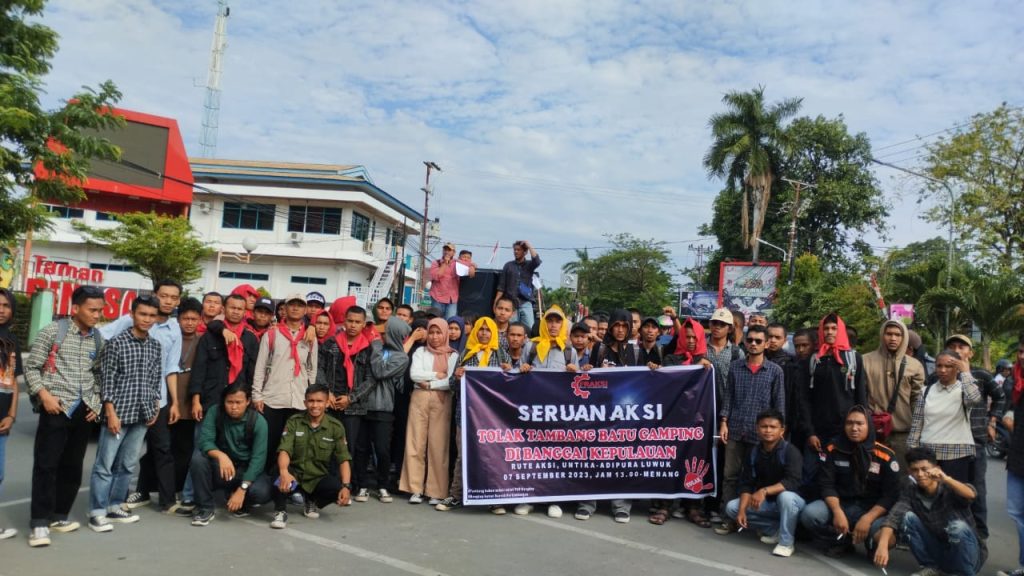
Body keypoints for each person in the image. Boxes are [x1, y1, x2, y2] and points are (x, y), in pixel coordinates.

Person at [25, 286, 105, 547]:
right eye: (92, 310)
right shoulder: (53, 331)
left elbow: (98, 375)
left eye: (100, 310)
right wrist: (44, 396)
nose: (97, 315)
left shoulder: (98, 339)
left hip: (83, 411)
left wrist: (96, 404)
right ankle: (39, 522)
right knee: (46, 465)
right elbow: (32, 368)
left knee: (72, 465)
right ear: (76, 308)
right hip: (56, 408)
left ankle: (59, 515)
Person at [106, 280, 182, 515]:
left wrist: (175, 402)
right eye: (164, 295)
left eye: (173, 297)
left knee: (162, 449)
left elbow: (171, 368)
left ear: (178, 301)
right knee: (119, 453)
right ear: (155, 294)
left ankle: (167, 501)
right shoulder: (129, 320)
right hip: (126, 399)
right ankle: (112, 500)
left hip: (157, 400)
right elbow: (102, 338)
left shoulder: (175, 329)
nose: (168, 301)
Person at [88, 296, 163, 532]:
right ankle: (97, 511)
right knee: (105, 464)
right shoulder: (116, 343)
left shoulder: (155, 346)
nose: (147, 319)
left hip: (143, 414)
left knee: (128, 465)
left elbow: (155, 378)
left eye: (152, 315)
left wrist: (155, 405)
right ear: (132, 314)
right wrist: (110, 412)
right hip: (118, 414)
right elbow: (107, 381)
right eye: (143, 314)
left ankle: (115, 505)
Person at [799, 406, 900, 558]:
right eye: (850, 423)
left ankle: (871, 545)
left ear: (869, 426)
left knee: (887, 536)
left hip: (871, 510)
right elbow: (826, 485)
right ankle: (841, 540)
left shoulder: (885, 456)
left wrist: (867, 518)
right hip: (842, 505)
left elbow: (890, 495)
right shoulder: (833, 449)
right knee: (810, 514)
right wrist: (837, 512)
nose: (854, 428)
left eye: (860, 424)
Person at [716, 325, 786, 534]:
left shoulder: (775, 371)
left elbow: (779, 403)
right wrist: (723, 422)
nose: (753, 344)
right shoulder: (735, 367)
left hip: (762, 435)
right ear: (745, 342)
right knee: (730, 476)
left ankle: (756, 522)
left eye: (758, 341)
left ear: (766, 344)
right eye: (750, 340)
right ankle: (728, 519)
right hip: (736, 429)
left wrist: (778, 432)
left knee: (759, 478)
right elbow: (728, 397)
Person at [874, 447, 986, 576]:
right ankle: (931, 567)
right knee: (907, 518)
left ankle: (963, 573)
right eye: (915, 470)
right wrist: (882, 546)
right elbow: (894, 516)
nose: (920, 474)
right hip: (941, 550)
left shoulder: (949, 487)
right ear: (909, 472)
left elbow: (971, 494)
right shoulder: (910, 491)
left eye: (924, 469)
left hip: (969, 555)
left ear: (936, 469)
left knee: (958, 527)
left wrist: (946, 479)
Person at [438, 317, 510, 513]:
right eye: (481, 329)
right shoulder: (466, 354)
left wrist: (508, 372)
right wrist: (457, 377)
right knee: (463, 456)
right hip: (466, 415)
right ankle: (456, 495)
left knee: (493, 457)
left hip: (492, 417)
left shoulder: (502, 355)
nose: (484, 333)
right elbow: (452, 386)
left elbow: (510, 387)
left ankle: (495, 498)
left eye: (488, 330)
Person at [577, 309, 637, 523]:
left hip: (624, 417)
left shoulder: (634, 351)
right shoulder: (600, 349)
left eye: (624, 326)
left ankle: (621, 506)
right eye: (616, 325)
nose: (620, 330)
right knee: (593, 458)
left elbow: (643, 382)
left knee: (622, 461)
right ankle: (587, 504)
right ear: (611, 327)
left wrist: (652, 369)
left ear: (629, 328)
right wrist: (587, 370)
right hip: (599, 415)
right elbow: (590, 379)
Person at [797, 313, 866, 495]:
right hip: (818, 431)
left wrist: (860, 428)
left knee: (844, 475)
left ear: (840, 330)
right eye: (826, 328)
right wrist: (810, 432)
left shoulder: (853, 359)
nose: (829, 332)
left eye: (834, 328)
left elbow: (861, 396)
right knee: (811, 474)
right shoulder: (813, 360)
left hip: (845, 430)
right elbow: (804, 399)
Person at [943, 333, 1004, 539]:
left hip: (975, 440)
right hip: (948, 442)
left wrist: (992, 421)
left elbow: (1000, 397)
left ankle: (979, 535)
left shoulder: (982, 375)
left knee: (977, 488)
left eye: (961, 347)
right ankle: (952, 533)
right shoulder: (939, 375)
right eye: (952, 346)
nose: (956, 350)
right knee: (950, 487)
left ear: (971, 353)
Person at [723, 409, 805, 558]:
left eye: (773, 427)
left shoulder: (790, 451)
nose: (768, 430)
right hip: (769, 503)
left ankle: (786, 543)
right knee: (733, 508)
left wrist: (764, 491)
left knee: (786, 497)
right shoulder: (754, 452)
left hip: (794, 503)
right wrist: (742, 511)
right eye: (764, 426)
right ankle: (776, 529)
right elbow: (747, 483)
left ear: (782, 430)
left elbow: (792, 481)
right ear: (757, 429)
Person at [188, 383, 273, 526]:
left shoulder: (258, 422)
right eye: (230, 402)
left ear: (248, 401)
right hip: (223, 467)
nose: (234, 407)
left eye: (238, 402)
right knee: (198, 458)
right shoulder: (215, 412)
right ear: (224, 401)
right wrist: (221, 456)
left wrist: (242, 489)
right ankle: (205, 508)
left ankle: (240, 499)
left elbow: (258, 459)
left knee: (262, 492)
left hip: (246, 469)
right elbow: (205, 442)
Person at [270, 384, 353, 529]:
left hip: (316, 478)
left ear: (327, 403)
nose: (315, 405)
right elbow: (284, 450)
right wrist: (284, 472)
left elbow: (343, 458)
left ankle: (311, 500)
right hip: (294, 477)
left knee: (336, 487)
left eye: (319, 401)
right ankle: (280, 511)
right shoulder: (294, 421)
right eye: (311, 401)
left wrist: (346, 486)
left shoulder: (336, 427)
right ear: (305, 402)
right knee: (279, 474)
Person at [253, 294, 318, 474]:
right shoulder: (271, 334)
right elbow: (260, 367)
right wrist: (257, 395)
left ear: (305, 310)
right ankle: (264, 482)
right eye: (292, 305)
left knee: (296, 446)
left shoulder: (310, 337)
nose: (295, 308)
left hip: (299, 399)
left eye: (300, 305)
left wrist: (311, 398)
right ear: (285, 309)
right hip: (273, 398)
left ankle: (289, 483)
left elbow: (312, 370)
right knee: (269, 444)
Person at [356, 318, 418, 504]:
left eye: (385, 332)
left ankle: (382, 485)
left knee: (382, 449)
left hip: (383, 408)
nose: (380, 335)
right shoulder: (374, 348)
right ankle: (362, 485)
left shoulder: (401, 357)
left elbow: (379, 371)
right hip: (363, 406)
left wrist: (375, 344)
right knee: (361, 449)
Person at [399, 318, 457, 505]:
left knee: (438, 445)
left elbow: (449, 381)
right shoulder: (420, 352)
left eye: (439, 332)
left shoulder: (453, 355)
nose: (434, 336)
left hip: (442, 400)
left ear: (445, 334)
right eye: (431, 332)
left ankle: (436, 491)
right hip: (419, 398)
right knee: (415, 442)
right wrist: (436, 375)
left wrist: (430, 383)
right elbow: (414, 374)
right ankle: (414, 488)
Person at [908, 349, 981, 485]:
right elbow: (917, 424)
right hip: (928, 455)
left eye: (948, 366)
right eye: (939, 366)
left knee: (954, 494)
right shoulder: (926, 391)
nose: (943, 370)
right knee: (928, 494)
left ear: (957, 368)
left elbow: (975, 398)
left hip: (958, 454)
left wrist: (965, 372)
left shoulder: (964, 391)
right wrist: (912, 452)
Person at [862, 320, 925, 472]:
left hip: (902, 434)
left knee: (901, 477)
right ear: (882, 335)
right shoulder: (864, 361)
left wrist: (918, 432)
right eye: (889, 334)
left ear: (904, 338)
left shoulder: (914, 366)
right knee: (871, 475)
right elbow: (860, 395)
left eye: (898, 335)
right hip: (873, 432)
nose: (893, 338)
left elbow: (917, 401)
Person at [328, 305, 381, 484]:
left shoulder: (368, 348)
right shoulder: (331, 344)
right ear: (344, 321)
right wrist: (327, 393)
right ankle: (328, 484)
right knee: (326, 444)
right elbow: (320, 368)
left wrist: (351, 398)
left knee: (348, 446)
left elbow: (371, 379)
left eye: (357, 322)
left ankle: (345, 484)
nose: (353, 325)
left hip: (354, 407)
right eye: (350, 321)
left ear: (364, 324)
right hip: (329, 403)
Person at [170, 298, 202, 506]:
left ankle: (180, 489)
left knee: (186, 450)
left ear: (200, 320)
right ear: (178, 319)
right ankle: (155, 488)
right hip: (170, 402)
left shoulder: (203, 341)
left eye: (193, 319)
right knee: (164, 448)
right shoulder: (171, 338)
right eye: (185, 318)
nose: (189, 323)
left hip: (190, 404)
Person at [1000, 340, 1024, 576]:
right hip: (1017, 456)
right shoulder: (1014, 381)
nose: (1023, 356)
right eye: (1021, 351)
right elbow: (1008, 407)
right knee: (1016, 512)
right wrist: (1007, 416)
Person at [0, 289, 20, 541]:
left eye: (6, 305)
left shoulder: (12, 341)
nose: (1, 309)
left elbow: (13, 380)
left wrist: (12, 415)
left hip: (2, 420)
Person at [494, 240, 541, 330]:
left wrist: (528, 244)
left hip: (525, 302)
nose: (516, 252)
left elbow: (537, 261)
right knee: (511, 328)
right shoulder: (508, 265)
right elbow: (501, 286)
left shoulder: (529, 265)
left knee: (529, 328)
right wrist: (496, 302)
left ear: (525, 252)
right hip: (511, 303)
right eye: (515, 250)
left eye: (518, 250)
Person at [528, 306, 569, 371]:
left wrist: (574, 370)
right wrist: (522, 368)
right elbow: (516, 371)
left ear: (563, 325)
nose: (553, 325)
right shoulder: (530, 347)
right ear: (544, 323)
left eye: (558, 322)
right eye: (549, 321)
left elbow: (578, 375)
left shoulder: (569, 351)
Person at [429, 243, 462, 319]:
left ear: (454, 252)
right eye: (445, 249)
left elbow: (469, 264)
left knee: (451, 321)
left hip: (452, 299)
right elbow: (436, 277)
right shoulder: (436, 263)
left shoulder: (457, 263)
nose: (446, 252)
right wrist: (444, 264)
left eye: (449, 250)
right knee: (436, 321)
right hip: (437, 298)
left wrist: (472, 265)